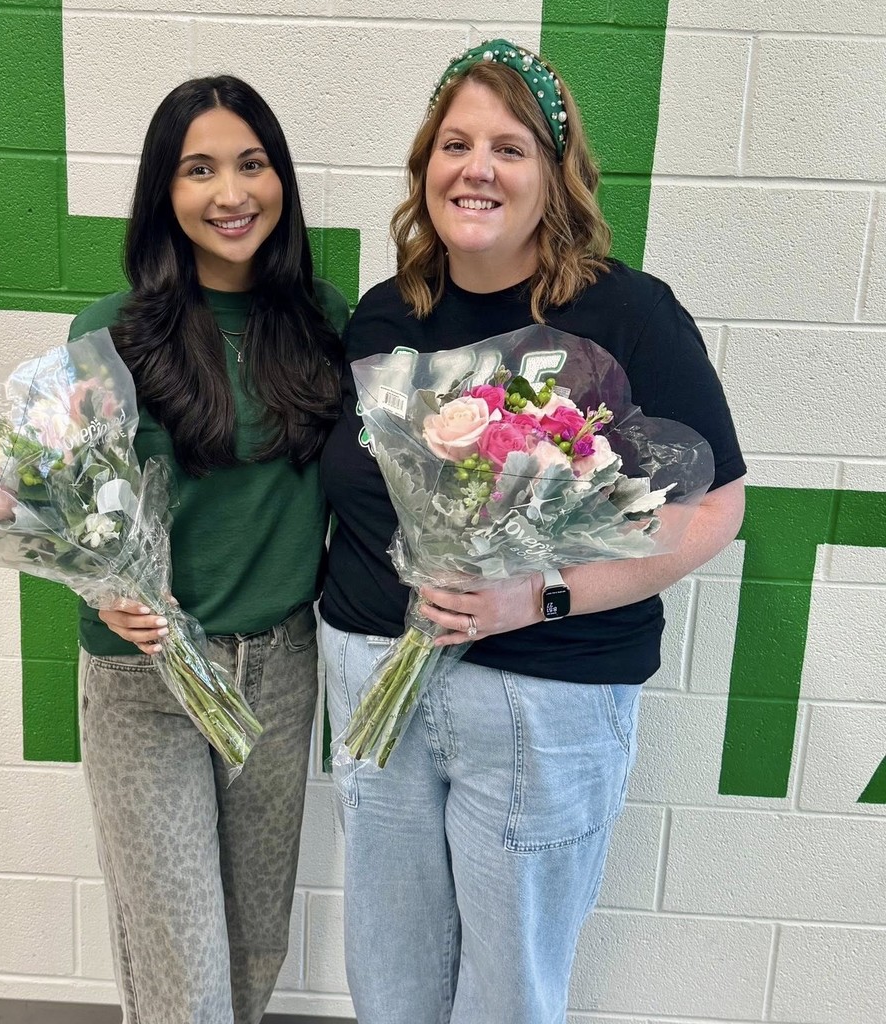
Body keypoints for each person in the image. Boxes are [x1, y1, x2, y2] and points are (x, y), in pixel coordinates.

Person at [319, 40, 746, 1024]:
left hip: (542, 695)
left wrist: (539, 591)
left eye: (509, 146)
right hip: (375, 674)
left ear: (554, 173)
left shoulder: (628, 316)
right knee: (389, 972)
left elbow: (713, 505)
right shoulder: (388, 314)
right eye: (455, 142)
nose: (477, 167)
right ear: (425, 163)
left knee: (508, 986)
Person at [68, 76, 349, 1024]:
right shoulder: (111, 332)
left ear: (281, 180)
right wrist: (97, 586)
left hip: (277, 670)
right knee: (183, 973)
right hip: (147, 678)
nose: (231, 194)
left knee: (253, 946)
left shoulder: (324, 321)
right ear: (164, 192)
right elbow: (73, 507)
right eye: (199, 170)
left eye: (252, 164)